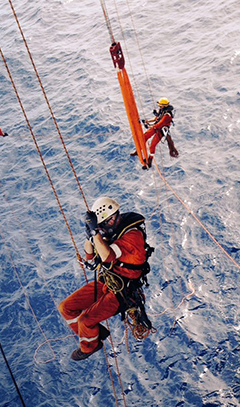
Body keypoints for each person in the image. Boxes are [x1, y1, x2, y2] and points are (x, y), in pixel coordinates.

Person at [58, 197, 154, 361]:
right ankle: (94, 333)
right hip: (109, 281)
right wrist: (90, 236)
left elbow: (107, 257)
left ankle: (90, 345)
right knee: (65, 307)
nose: (104, 229)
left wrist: (96, 234)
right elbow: (90, 257)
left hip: (123, 290)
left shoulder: (132, 236)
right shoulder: (113, 232)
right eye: (101, 226)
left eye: (105, 224)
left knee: (85, 320)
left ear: (115, 216)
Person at [133, 98, 179, 168]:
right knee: (144, 137)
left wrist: (149, 126)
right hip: (156, 127)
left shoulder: (167, 115)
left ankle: (149, 162)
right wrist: (146, 121)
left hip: (161, 130)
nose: (159, 106)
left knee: (152, 145)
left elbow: (159, 125)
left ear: (164, 106)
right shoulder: (162, 110)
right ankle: (138, 151)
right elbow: (156, 119)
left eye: (160, 105)